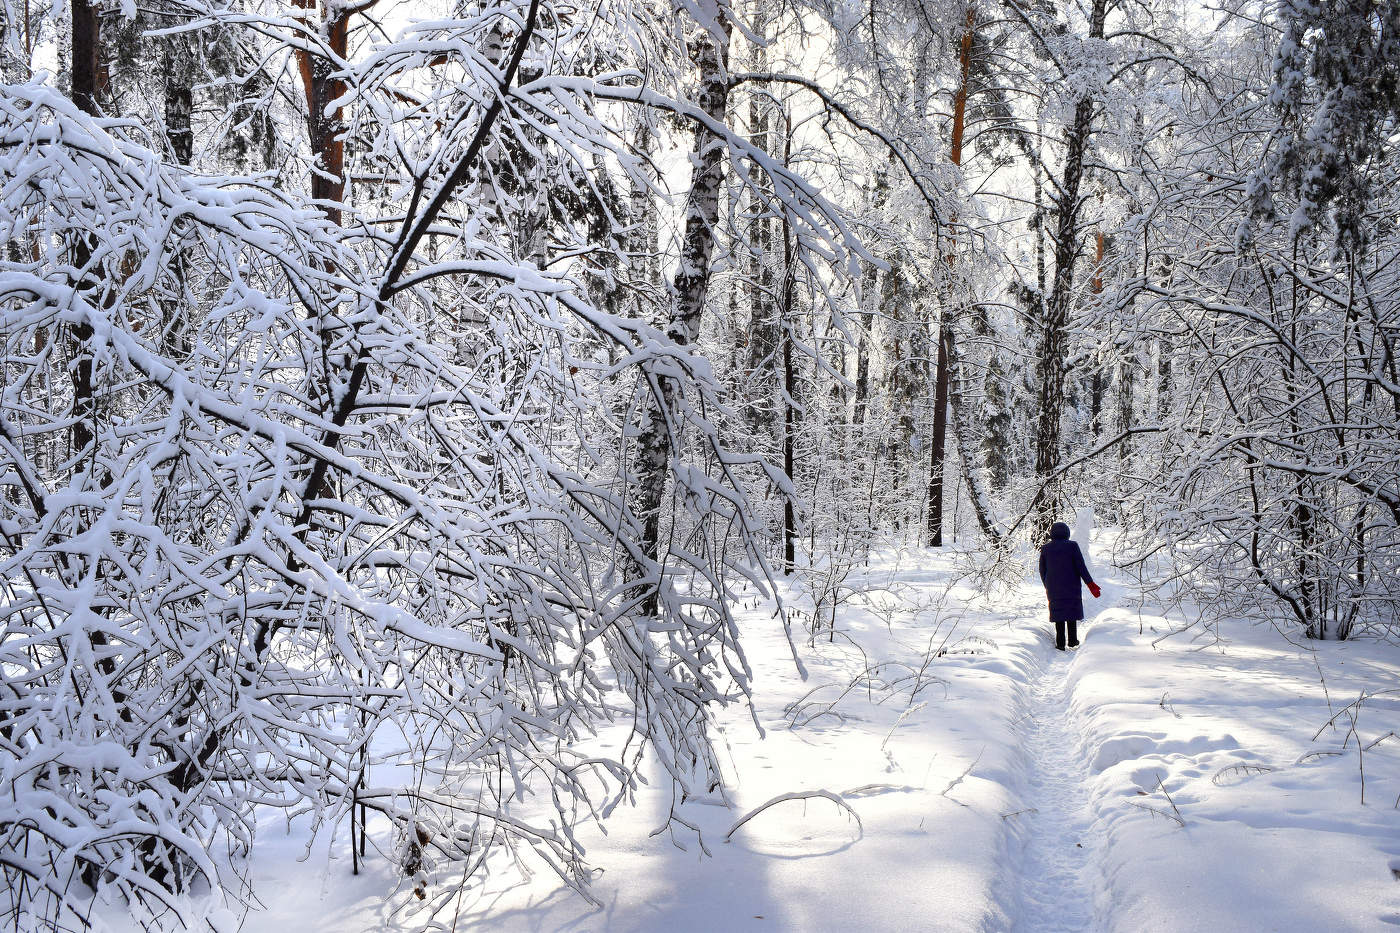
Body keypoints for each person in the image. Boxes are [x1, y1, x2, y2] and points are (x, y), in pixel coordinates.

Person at [1038, 521, 1100, 650]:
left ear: (1052, 533)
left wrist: (1047, 584)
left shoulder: (1045, 548)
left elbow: (1042, 570)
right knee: (1071, 612)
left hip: (1053, 587)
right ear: (1067, 533)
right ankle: (1072, 640)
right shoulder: (1072, 546)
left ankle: (1060, 643)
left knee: (1058, 613)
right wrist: (1090, 583)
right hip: (1072, 586)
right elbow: (1080, 566)